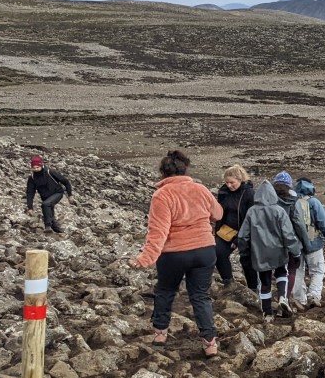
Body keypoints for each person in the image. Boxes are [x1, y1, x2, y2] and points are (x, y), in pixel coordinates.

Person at [129, 150, 223, 356]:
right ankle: (210, 343)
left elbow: (158, 231)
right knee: (200, 296)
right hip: (204, 250)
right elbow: (218, 213)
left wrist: (145, 258)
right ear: (184, 169)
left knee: (165, 291)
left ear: (163, 173)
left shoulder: (162, 195)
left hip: (174, 253)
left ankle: (160, 333)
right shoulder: (200, 189)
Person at [237, 180, 302, 321]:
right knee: (281, 273)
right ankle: (282, 298)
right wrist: (296, 252)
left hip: (259, 253)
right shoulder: (279, 211)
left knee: (264, 282)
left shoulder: (251, 212)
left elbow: (242, 236)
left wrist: (244, 253)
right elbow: (288, 235)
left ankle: (267, 313)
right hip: (278, 251)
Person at [291, 178, 325, 309]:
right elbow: (323, 223)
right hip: (313, 242)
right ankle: (313, 295)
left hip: (295, 244)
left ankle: (299, 299)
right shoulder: (314, 202)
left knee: (298, 270)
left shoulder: (292, 202)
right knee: (317, 270)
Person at [270, 171, 311, 309]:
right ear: (290, 186)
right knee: (291, 270)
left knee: (268, 271)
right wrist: (306, 244)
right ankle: (285, 298)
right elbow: (299, 224)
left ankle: (265, 299)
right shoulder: (293, 202)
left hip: (269, 242)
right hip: (289, 242)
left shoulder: (267, 201)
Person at [214, 165, 256, 290]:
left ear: (240, 179)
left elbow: (251, 218)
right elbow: (220, 213)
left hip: (245, 231)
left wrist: (239, 238)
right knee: (217, 253)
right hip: (226, 230)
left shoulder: (249, 193)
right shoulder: (224, 192)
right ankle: (228, 283)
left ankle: (253, 289)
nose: (229, 185)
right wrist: (216, 231)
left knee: (247, 261)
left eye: (232, 182)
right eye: (226, 182)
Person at [25, 155, 73, 234]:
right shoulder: (32, 178)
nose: (36, 169)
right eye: (34, 168)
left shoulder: (50, 172)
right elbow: (30, 192)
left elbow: (66, 181)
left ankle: (47, 226)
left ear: (41, 165)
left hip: (57, 193)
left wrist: (70, 195)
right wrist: (30, 207)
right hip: (45, 197)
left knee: (45, 204)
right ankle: (58, 231)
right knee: (49, 212)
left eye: (38, 167)